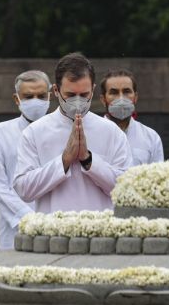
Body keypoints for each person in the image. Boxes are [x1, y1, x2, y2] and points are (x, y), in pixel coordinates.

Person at [14, 53, 132, 212]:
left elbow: (126, 189)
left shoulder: (111, 132)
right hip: (52, 232)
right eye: (70, 95)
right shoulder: (34, 132)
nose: (78, 101)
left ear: (93, 90)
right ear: (56, 90)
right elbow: (23, 189)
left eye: (84, 95)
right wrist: (64, 160)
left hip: (99, 232)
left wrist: (88, 160)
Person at [0, 70, 50, 250]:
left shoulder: (64, 131)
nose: (35, 101)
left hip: (55, 225)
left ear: (50, 97)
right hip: (15, 227)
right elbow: (0, 188)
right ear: (17, 100)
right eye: (28, 96)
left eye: (41, 96)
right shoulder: (0, 133)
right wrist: (28, 218)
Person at [99, 69, 164, 166]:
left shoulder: (151, 137)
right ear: (103, 99)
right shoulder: (91, 135)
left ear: (135, 97)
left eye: (126, 91)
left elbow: (158, 176)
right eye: (114, 92)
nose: (121, 98)